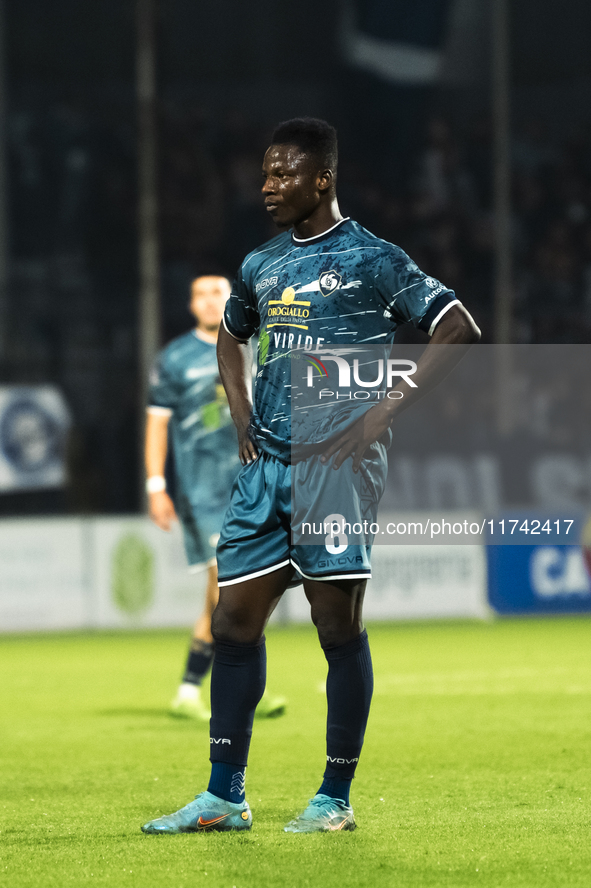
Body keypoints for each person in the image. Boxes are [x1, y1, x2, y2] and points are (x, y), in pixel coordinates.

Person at [142, 118, 480, 835]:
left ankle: (333, 798)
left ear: (320, 179)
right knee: (234, 624)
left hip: (337, 470)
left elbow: (457, 328)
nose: (266, 185)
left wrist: (380, 415)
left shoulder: (373, 258)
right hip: (266, 468)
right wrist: (240, 415)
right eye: (264, 173)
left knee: (335, 629)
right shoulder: (260, 263)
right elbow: (233, 333)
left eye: (281, 174)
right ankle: (223, 797)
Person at [145, 274, 287, 721]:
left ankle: (226, 685)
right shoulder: (175, 358)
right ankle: (195, 687)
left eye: (217, 293)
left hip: (253, 482)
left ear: (232, 299)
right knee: (222, 582)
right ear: (190, 305)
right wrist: (155, 484)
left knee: (245, 586)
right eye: (200, 295)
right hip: (202, 491)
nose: (210, 302)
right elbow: (157, 424)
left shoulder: (259, 345)